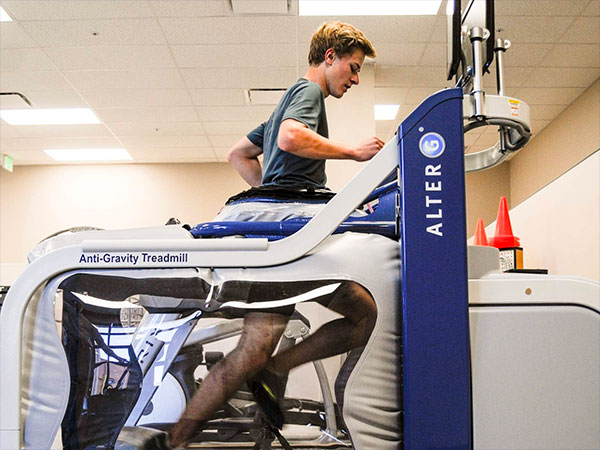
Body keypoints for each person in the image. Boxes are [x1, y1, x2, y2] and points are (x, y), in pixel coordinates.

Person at [169, 21, 384, 447]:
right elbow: (289, 138)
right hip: (288, 244)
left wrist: (269, 193)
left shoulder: (284, 104)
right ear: (330, 57)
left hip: (276, 242)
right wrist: (353, 152)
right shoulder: (307, 93)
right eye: (354, 67)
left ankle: (175, 441)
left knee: (253, 349)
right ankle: (276, 369)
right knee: (364, 316)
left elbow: (239, 154)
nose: (356, 79)